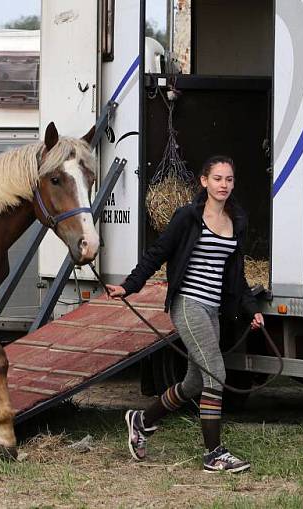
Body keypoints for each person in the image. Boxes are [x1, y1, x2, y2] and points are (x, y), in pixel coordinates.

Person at [106, 155, 264, 473]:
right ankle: (214, 454)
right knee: (216, 373)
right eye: (217, 178)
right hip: (188, 304)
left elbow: (236, 274)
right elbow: (158, 252)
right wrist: (129, 286)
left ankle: (142, 420)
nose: (224, 185)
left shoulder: (237, 220)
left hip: (212, 309)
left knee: (194, 382)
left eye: (229, 179)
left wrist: (251, 310)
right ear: (204, 182)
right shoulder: (188, 217)